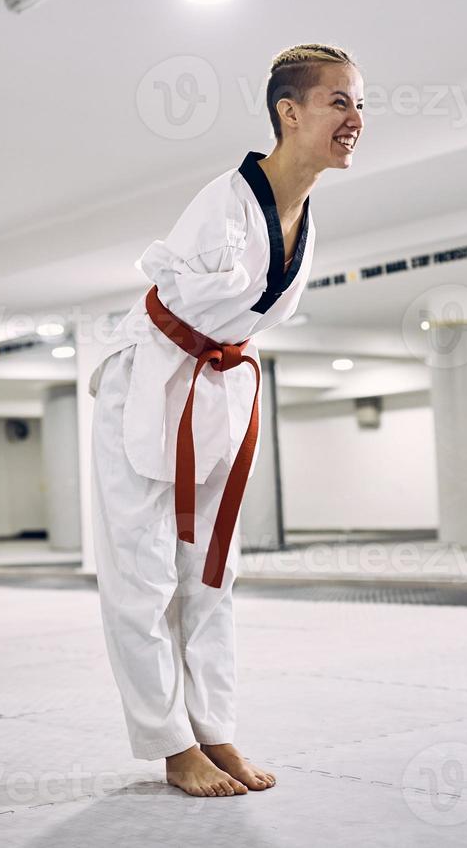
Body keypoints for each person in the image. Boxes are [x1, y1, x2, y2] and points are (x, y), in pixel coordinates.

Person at [88, 44, 364, 797]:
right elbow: (185, 300)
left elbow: (241, 315)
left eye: (359, 103)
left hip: (215, 390)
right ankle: (171, 744)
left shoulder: (307, 217)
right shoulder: (225, 203)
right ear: (290, 112)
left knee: (212, 576)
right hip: (149, 382)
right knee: (142, 580)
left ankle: (215, 730)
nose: (355, 119)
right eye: (340, 101)